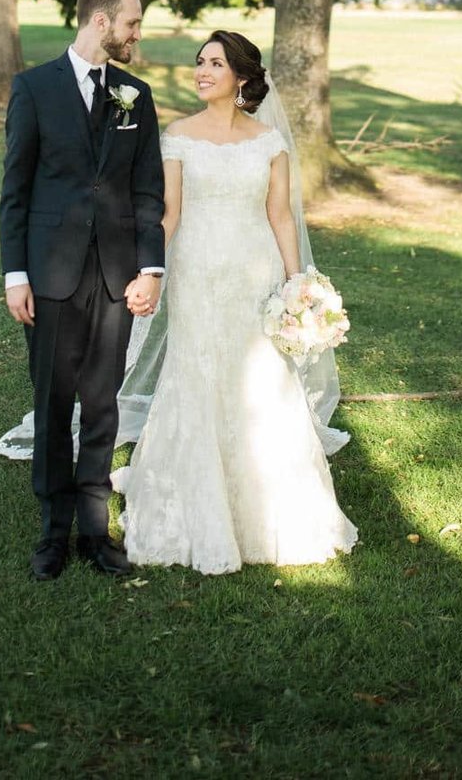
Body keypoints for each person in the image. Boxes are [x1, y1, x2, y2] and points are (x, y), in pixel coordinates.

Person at [114, 30, 356, 574]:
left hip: (255, 277)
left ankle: (270, 508)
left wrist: (300, 287)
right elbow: (169, 214)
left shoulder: (269, 143)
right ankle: (192, 501)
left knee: (262, 379)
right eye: (200, 62)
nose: (201, 71)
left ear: (241, 77)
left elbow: (279, 217)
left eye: (215, 64)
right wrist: (148, 271)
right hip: (198, 273)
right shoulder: (177, 136)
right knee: (196, 372)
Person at [0, 0, 165, 581]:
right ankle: (53, 530)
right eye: (132, 23)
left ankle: (95, 529)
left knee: (102, 404)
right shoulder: (33, 89)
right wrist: (16, 273)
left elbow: (148, 191)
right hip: (50, 273)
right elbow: (15, 191)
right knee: (52, 402)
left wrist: (151, 268)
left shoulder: (135, 96)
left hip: (117, 278)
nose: (136, 34)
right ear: (101, 22)